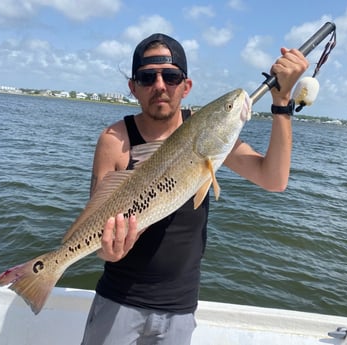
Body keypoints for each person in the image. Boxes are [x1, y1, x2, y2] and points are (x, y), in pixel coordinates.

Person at [81, 33, 309, 345]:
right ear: (133, 87)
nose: (160, 86)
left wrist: (281, 103)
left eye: (171, 76)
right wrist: (105, 250)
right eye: (148, 77)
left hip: (180, 308)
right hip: (118, 299)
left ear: (186, 86)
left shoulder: (208, 133)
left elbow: (274, 180)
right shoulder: (114, 140)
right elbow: (95, 222)